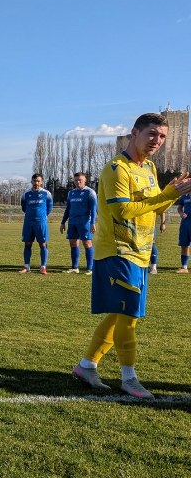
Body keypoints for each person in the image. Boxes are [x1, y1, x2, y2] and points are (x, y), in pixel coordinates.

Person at [72, 113, 191, 399]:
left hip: (141, 252)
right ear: (135, 133)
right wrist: (165, 196)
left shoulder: (149, 167)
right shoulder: (117, 169)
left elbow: (156, 208)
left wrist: (172, 193)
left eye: (162, 136)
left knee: (120, 314)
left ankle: (86, 366)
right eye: (152, 133)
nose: (157, 141)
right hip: (118, 251)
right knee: (129, 315)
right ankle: (129, 378)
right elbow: (122, 211)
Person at [59, 172, 97, 275]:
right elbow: (68, 209)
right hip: (72, 222)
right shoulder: (71, 193)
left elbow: (93, 209)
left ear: (85, 180)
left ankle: (90, 269)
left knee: (87, 243)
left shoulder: (90, 192)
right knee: (73, 243)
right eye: (76, 180)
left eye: (80, 180)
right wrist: (63, 222)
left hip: (85, 222)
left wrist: (92, 223)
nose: (78, 182)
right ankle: (75, 267)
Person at [19, 173, 52, 275]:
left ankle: (43, 267)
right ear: (31, 181)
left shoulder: (46, 194)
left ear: (41, 182)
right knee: (27, 243)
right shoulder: (26, 194)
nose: (36, 183)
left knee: (43, 244)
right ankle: (26, 266)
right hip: (28, 222)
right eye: (34, 181)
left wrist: (42, 215)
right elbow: (24, 207)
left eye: (38, 181)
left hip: (41, 222)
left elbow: (49, 207)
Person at [177, 191, 191, 273]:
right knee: (184, 244)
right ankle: (184, 267)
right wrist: (181, 213)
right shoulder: (184, 196)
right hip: (185, 223)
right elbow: (179, 207)